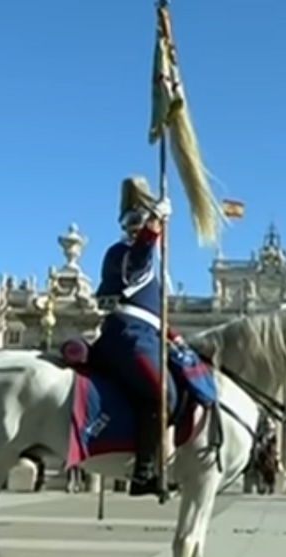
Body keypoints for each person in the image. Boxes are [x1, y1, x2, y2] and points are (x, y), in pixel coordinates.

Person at [89, 176, 216, 498]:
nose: (140, 229)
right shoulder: (122, 253)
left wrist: (176, 338)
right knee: (163, 395)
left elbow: (153, 316)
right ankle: (144, 472)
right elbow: (136, 265)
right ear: (129, 226)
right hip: (127, 337)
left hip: (144, 334)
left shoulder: (149, 265)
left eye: (142, 224)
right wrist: (154, 224)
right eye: (136, 224)